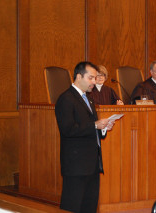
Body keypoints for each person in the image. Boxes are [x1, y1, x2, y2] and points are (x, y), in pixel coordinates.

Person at [55, 61, 115, 212]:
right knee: (72, 207)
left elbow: (90, 127)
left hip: (92, 165)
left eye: (95, 78)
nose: (94, 82)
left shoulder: (89, 99)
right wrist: (95, 125)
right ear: (78, 76)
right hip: (76, 165)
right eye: (91, 78)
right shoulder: (66, 99)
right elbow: (67, 129)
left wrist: (103, 128)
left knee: (90, 207)